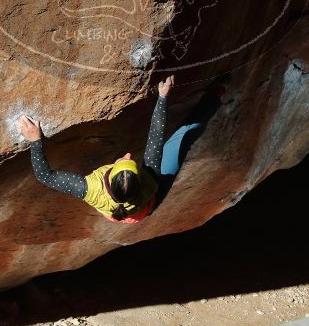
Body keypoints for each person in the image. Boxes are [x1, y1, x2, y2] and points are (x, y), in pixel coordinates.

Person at [17, 73, 228, 223]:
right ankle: (216, 95)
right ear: (141, 178)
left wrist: (36, 140)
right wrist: (163, 97)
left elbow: (45, 176)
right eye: (130, 160)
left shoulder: (90, 188)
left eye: (122, 160)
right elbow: (156, 136)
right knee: (181, 139)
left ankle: (215, 95)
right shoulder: (151, 180)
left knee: (180, 140)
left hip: (128, 209)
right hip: (149, 204)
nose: (127, 154)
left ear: (109, 175)